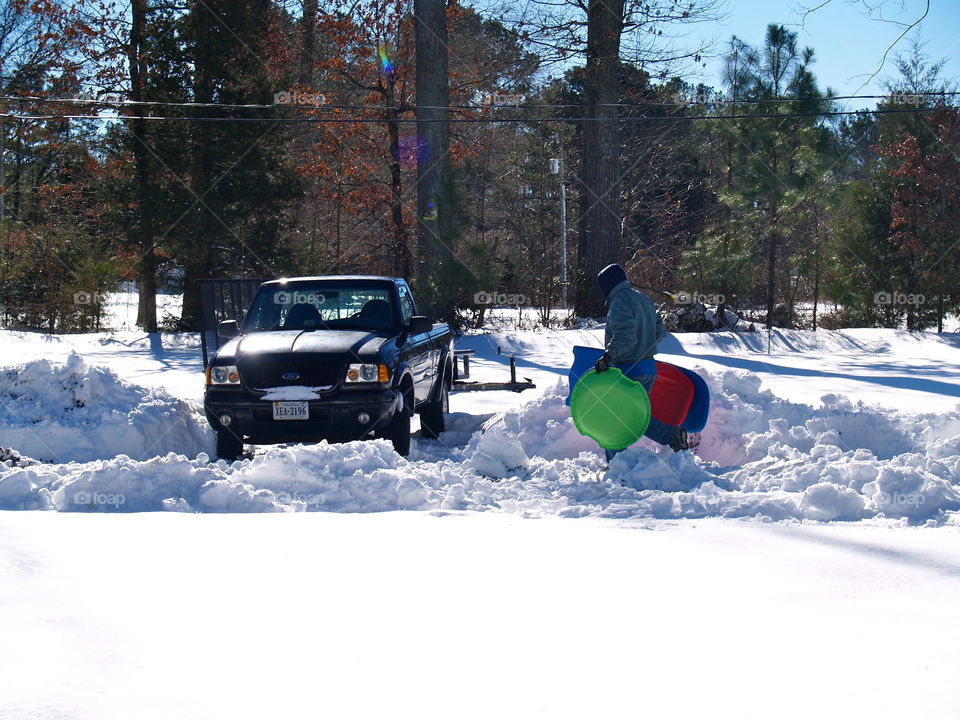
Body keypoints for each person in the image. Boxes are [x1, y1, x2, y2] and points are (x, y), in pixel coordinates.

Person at [594, 263, 688, 459]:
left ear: (607, 284)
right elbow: (660, 330)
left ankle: (618, 463)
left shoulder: (620, 301)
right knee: (634, 416)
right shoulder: (642, 298)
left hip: (628, 370)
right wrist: (644, 344)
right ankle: (672, 436)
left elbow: (624, 336)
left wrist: (608, 356)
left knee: (616, 418)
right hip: (648, 368)